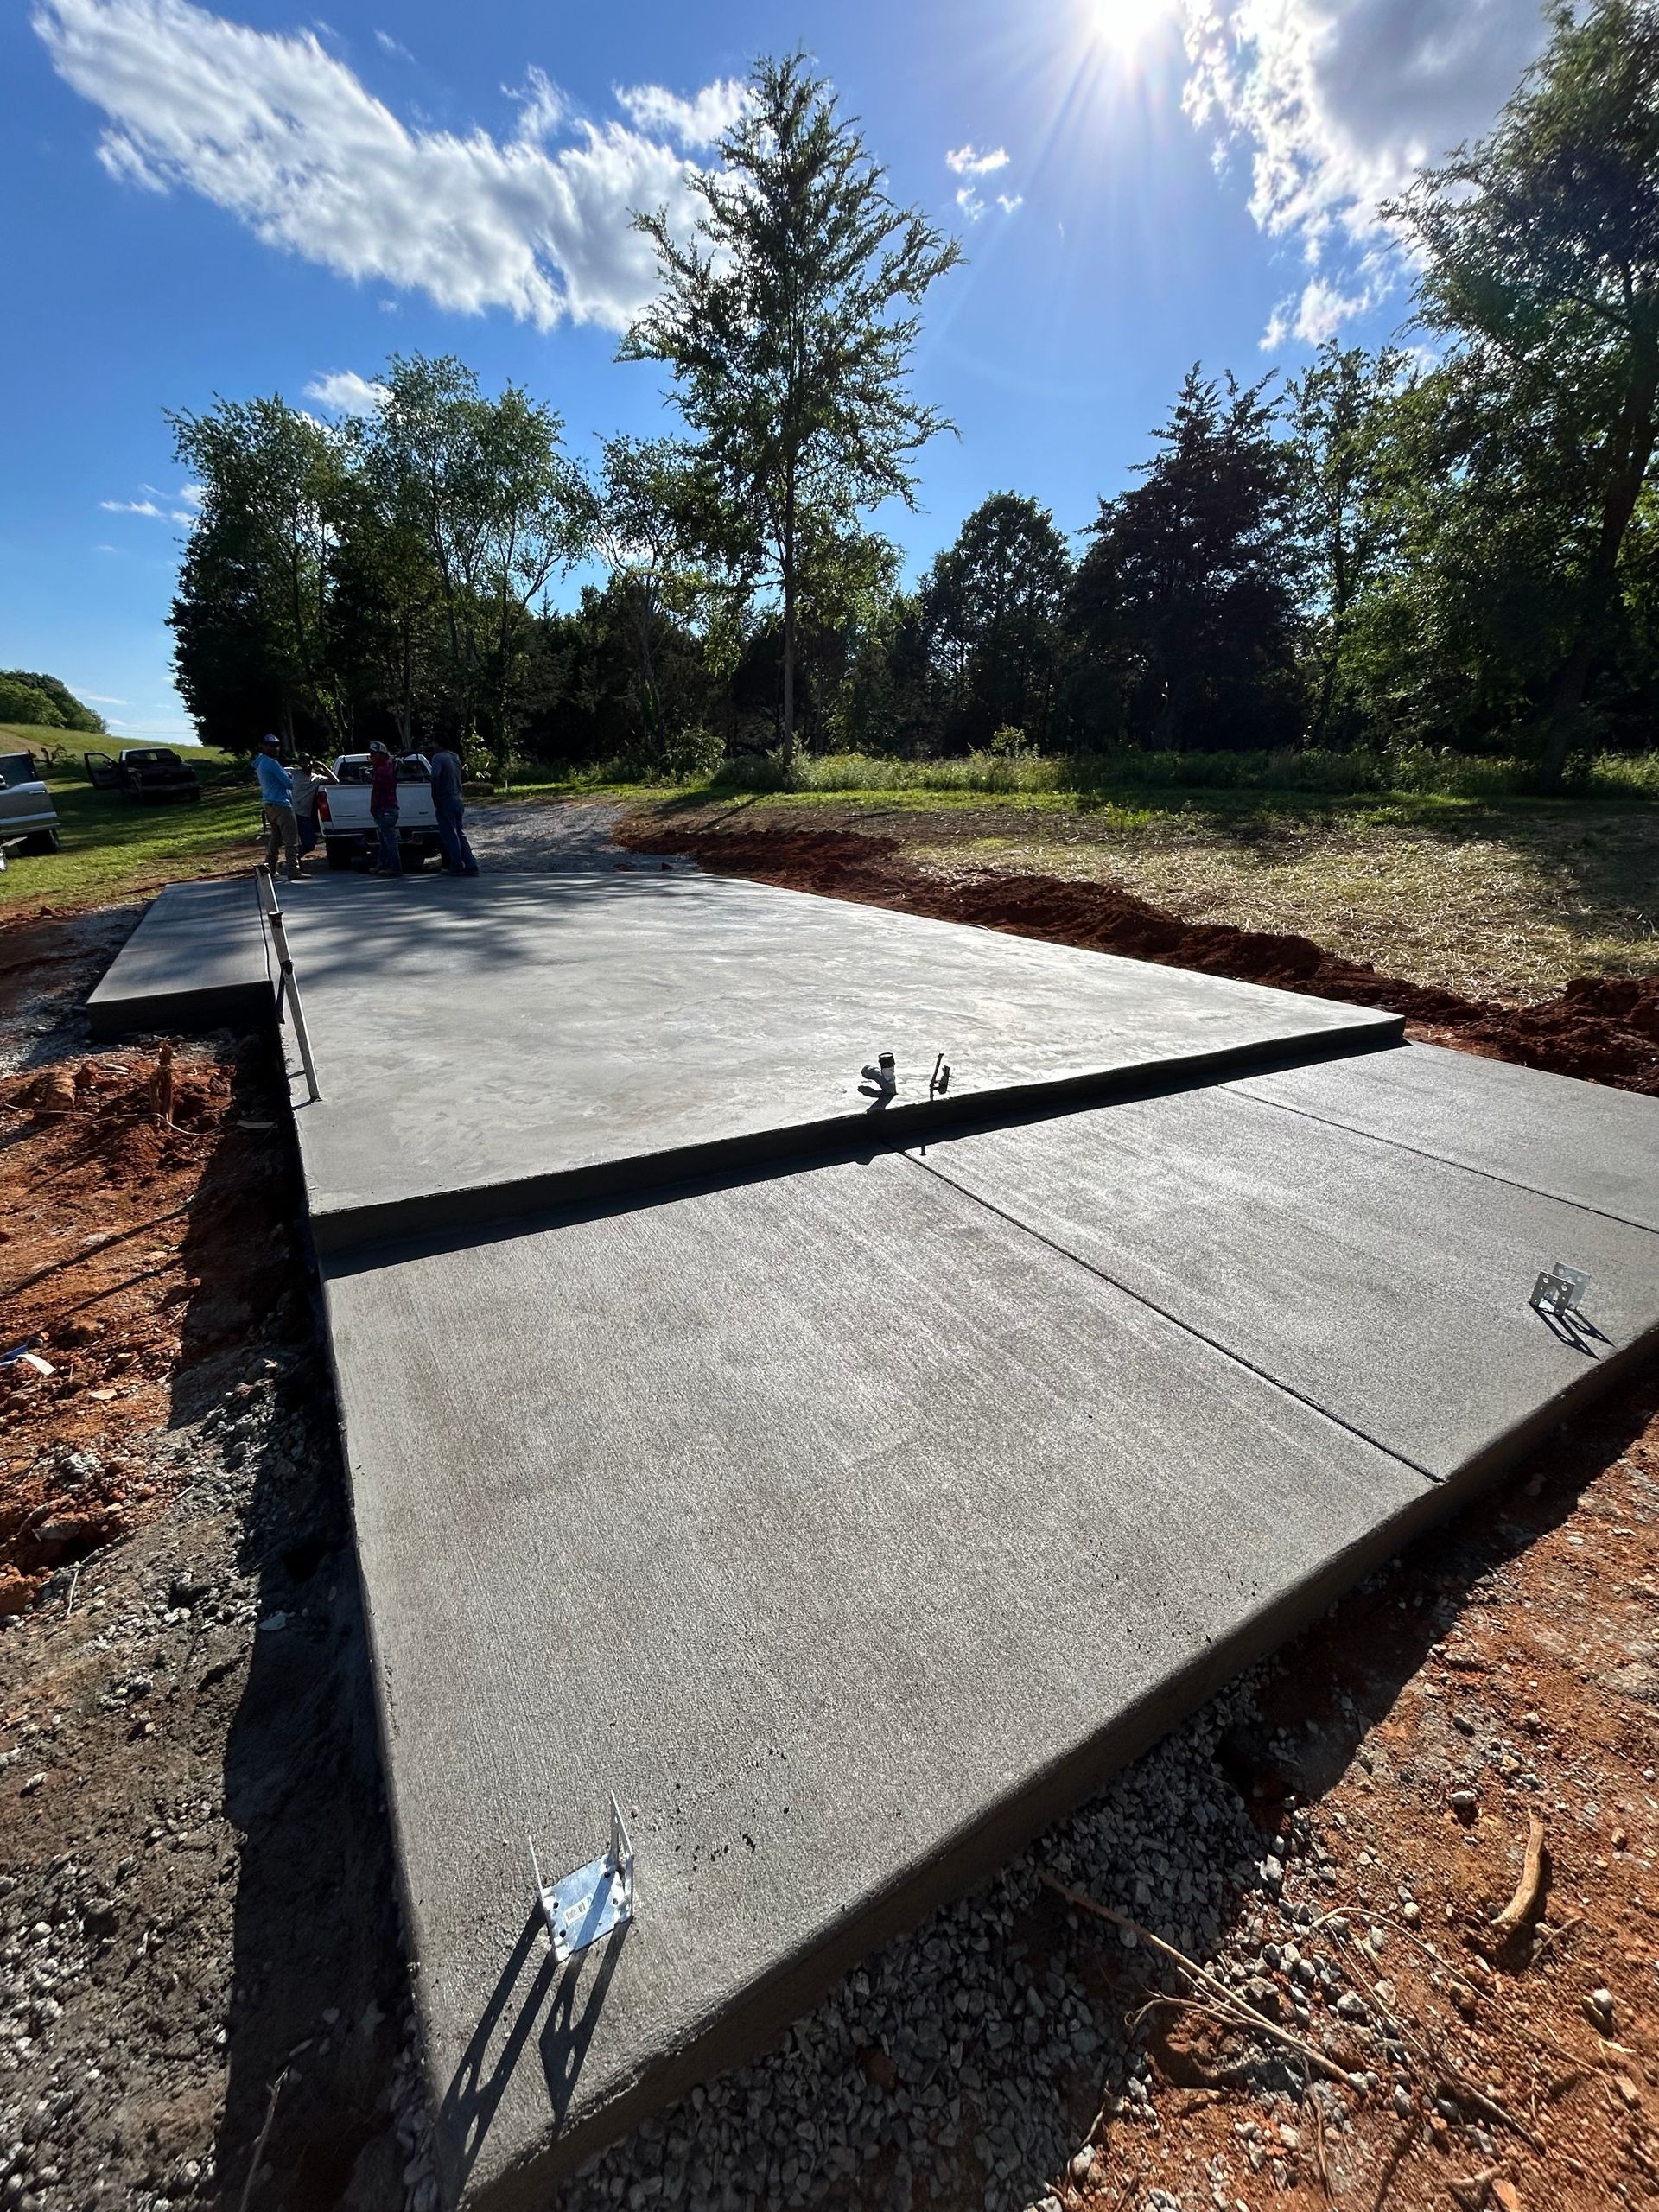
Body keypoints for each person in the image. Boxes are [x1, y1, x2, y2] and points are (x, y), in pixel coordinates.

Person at [429, 734, 480, 876]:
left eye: (434, 743)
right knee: (460, 833)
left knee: (450, 834)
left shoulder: (438, 758)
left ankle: (456, 866)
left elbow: (435, 777)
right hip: (458, 798)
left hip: (446, 799)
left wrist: (435, 797)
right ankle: (471, 864)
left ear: (438, 744)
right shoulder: (455, 757)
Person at [255, 734, 302, 881]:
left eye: (276, 745)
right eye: (271, 745)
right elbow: (289, 784)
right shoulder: (272, 763)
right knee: (291, 839)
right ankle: (293, 870)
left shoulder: (260, 762)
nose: (275, 748)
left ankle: (270, 868)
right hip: (282, 805)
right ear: (263, 746)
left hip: (269, 804)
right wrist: (289, 776)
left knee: (275, 838)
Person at [367, 740, 402, 876]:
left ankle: (395, 868)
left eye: (374, 755)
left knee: (390, 840)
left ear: (382, 755)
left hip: (385, 809)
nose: (372, 758)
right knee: (384, 839)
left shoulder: (382, 771)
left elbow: (377, 792)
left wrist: (373, 808)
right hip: (389, 809)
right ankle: (382, 865)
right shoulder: (386, 767)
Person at [290, 756, 331, 860]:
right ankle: (292, 863)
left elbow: (335, 780)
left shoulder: (316, 778)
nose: (307, 764)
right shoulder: (294, 773)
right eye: (303, 762)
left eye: (309, 761)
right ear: (299, 763)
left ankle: (294, 859)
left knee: (309, 844)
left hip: (305, 815)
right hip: (292, 813)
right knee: (291, 842)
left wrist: (323, 766)